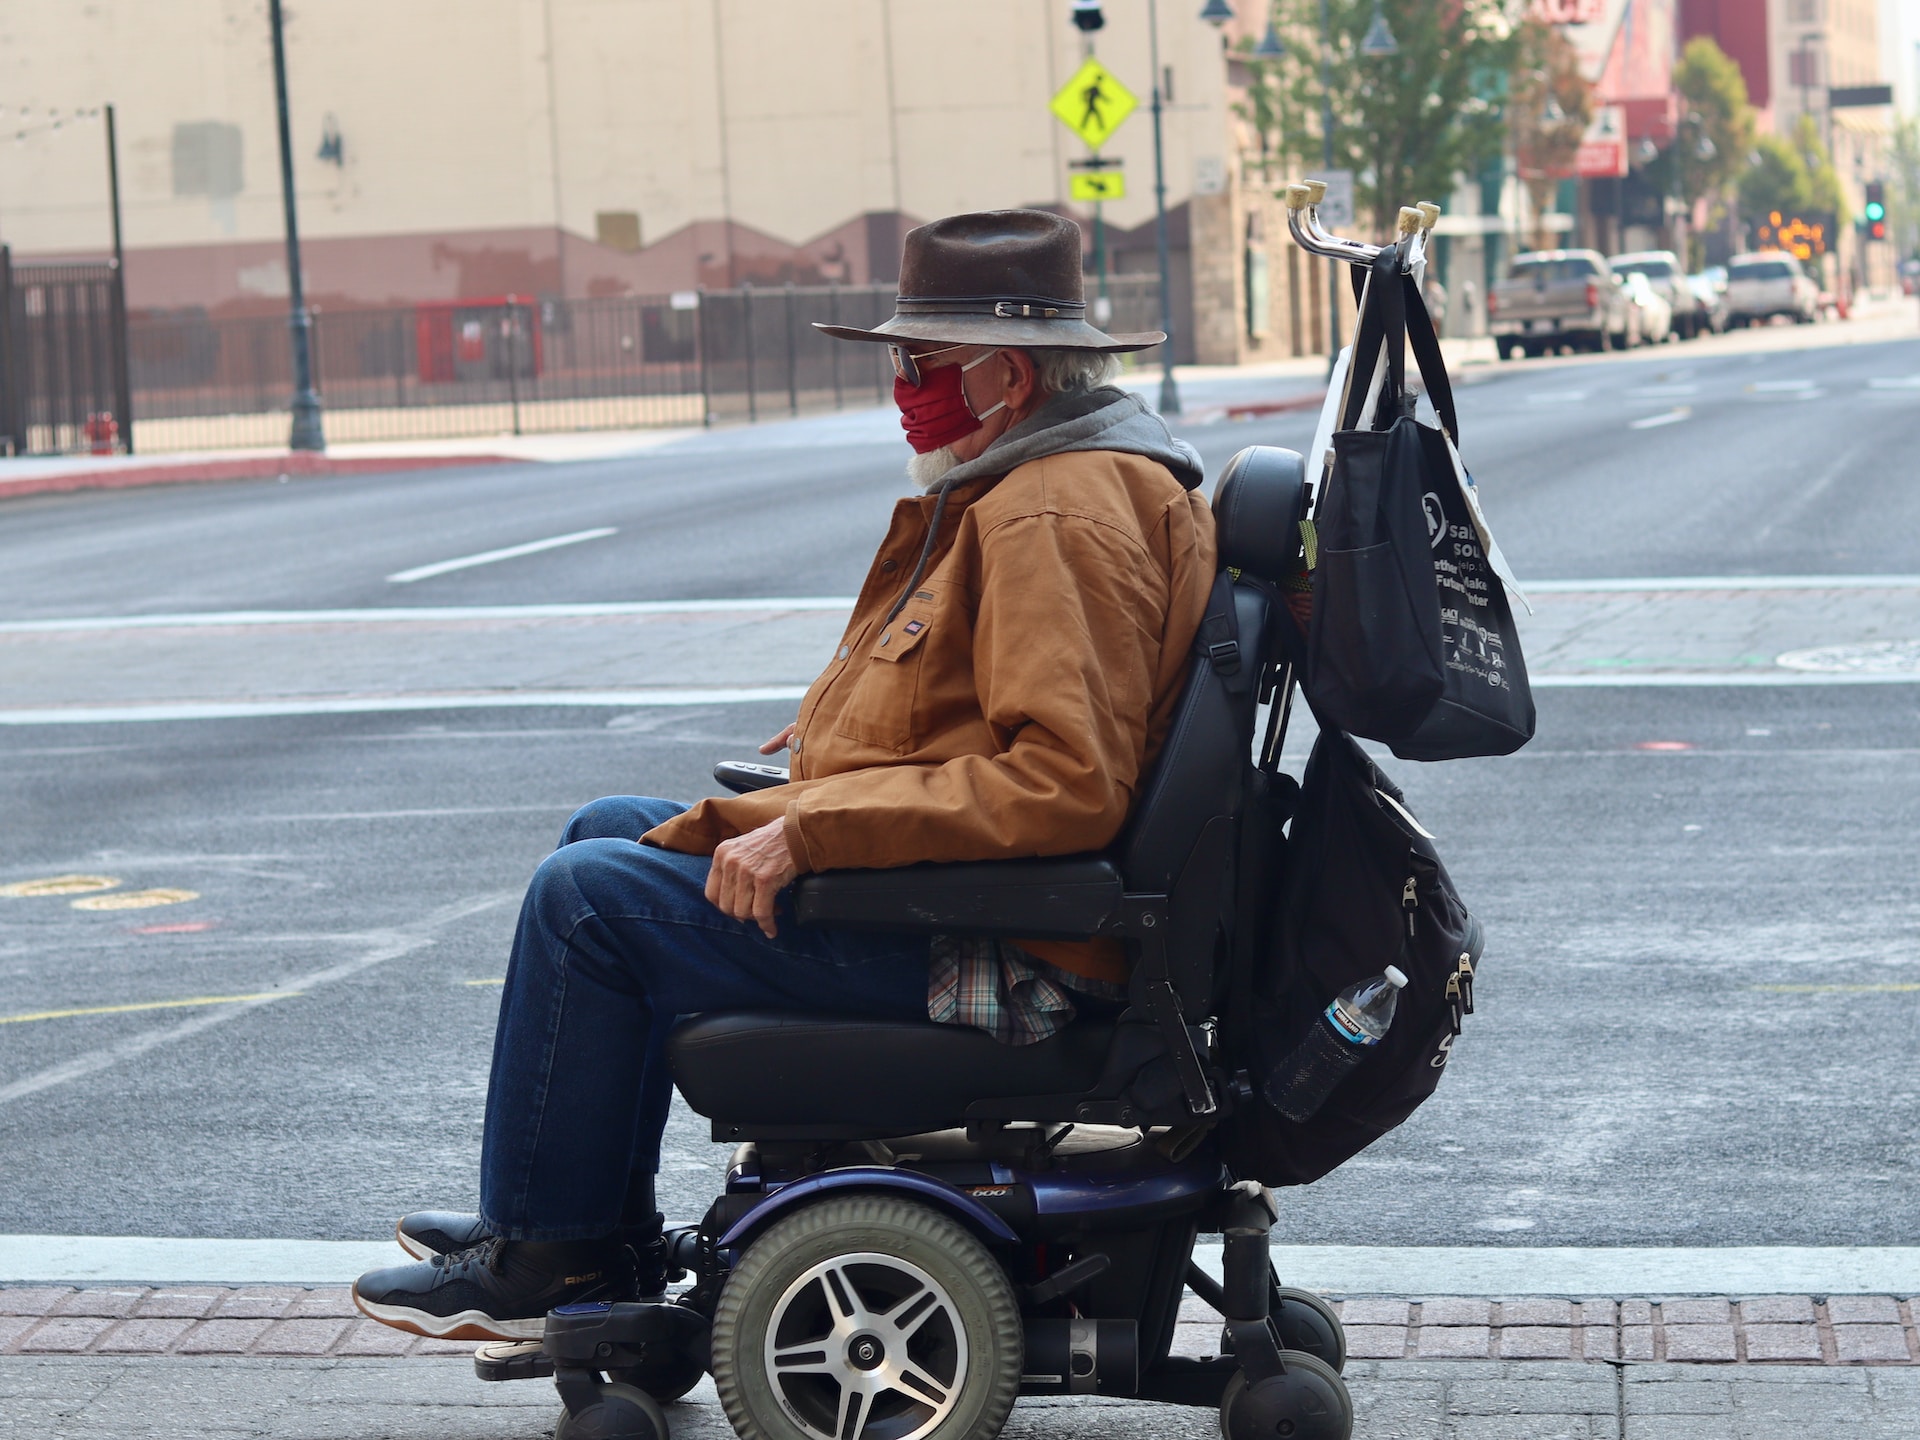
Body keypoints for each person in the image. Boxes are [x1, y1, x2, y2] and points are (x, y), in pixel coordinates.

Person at [351, 210, 1219, 1341]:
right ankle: (578, 1233)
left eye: (921, 361)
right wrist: (842, 748)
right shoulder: (1052, 480)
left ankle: (548, 1263)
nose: (904, 386)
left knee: (588, 903)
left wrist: (811, 831)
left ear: (1007, 374)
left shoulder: (1050, 510)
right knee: (604, 828)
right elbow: (999, 717)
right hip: (1000, 907)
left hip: (1016, 953)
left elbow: (1064, 783)